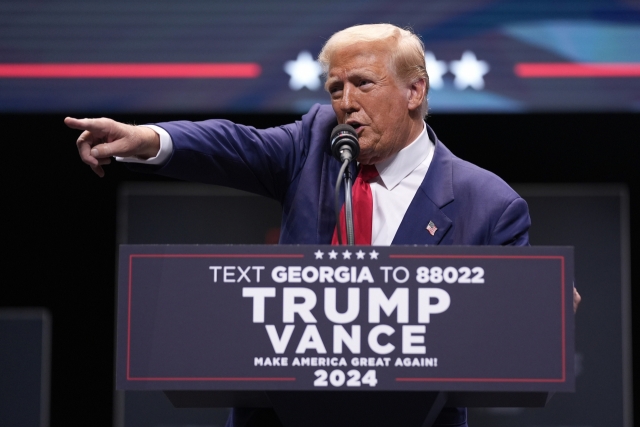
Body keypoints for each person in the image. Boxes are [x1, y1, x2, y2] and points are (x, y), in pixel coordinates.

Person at [66, 23, 579, 427]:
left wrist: (541, 310)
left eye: (363, 84)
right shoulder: (313, 145)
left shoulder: (487, 203)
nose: (346, 104)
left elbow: (513, 331)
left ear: (415, 90)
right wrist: (147, 139)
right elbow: (231, 144)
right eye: (336, 88)